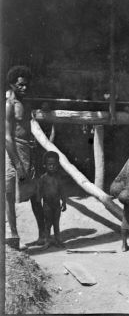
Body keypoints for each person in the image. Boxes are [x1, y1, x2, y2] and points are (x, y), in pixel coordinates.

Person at [5, 65, 45, 249]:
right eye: (20, 85)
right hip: (13, 152)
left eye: (26, 85)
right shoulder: (8, 105)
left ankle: (43, 236)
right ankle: (14, 236)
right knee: (9, 194)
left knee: (36, 193)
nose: (24, 88)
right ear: (12, 84)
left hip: (29, 150)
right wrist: (18, 165)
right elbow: (7, 137)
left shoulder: (26, 102)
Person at [37, 151, 66, 248]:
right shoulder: (43, 178)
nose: (52, 167)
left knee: (56, 224)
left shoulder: (59, 178)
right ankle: (47, 241)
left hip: (57, 205)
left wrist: (64, 202)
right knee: (48, 224)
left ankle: (58, 240)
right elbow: (39, 191)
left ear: (57, 165)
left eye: (54, 165)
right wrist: (38, 201)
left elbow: (62, 191)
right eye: (49, 165)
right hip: (47, 206)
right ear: (45, 165)